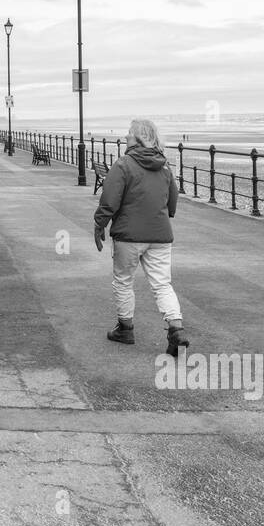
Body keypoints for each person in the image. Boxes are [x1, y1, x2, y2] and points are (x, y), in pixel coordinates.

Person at [93, 118, 190, 356]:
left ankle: (125, 329)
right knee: (162, 284)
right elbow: (172, 200)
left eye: (129, 133)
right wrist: (166, 214)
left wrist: (99, 224)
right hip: (160, 235)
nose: (126, 136)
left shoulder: (124, 164)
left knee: (124, 281)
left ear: (138, 138)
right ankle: (175, 328)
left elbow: (110, 199)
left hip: (128, 236)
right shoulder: (164, 166)